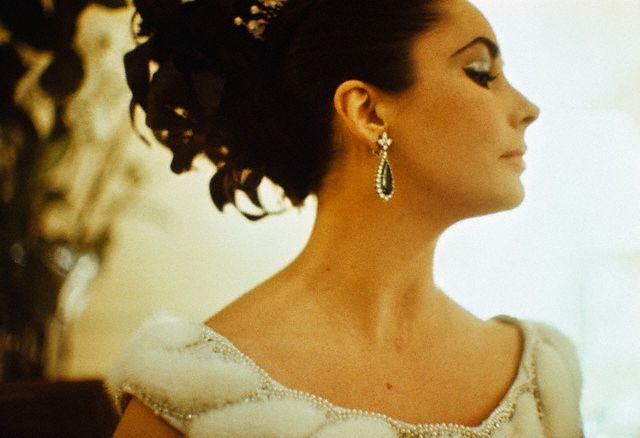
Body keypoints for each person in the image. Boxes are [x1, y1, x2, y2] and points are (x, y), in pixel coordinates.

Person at [107, 0, 584, 436]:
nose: (528, 109)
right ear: (368, 112)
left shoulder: (541, 383)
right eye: (481, 72)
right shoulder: (191, 393)